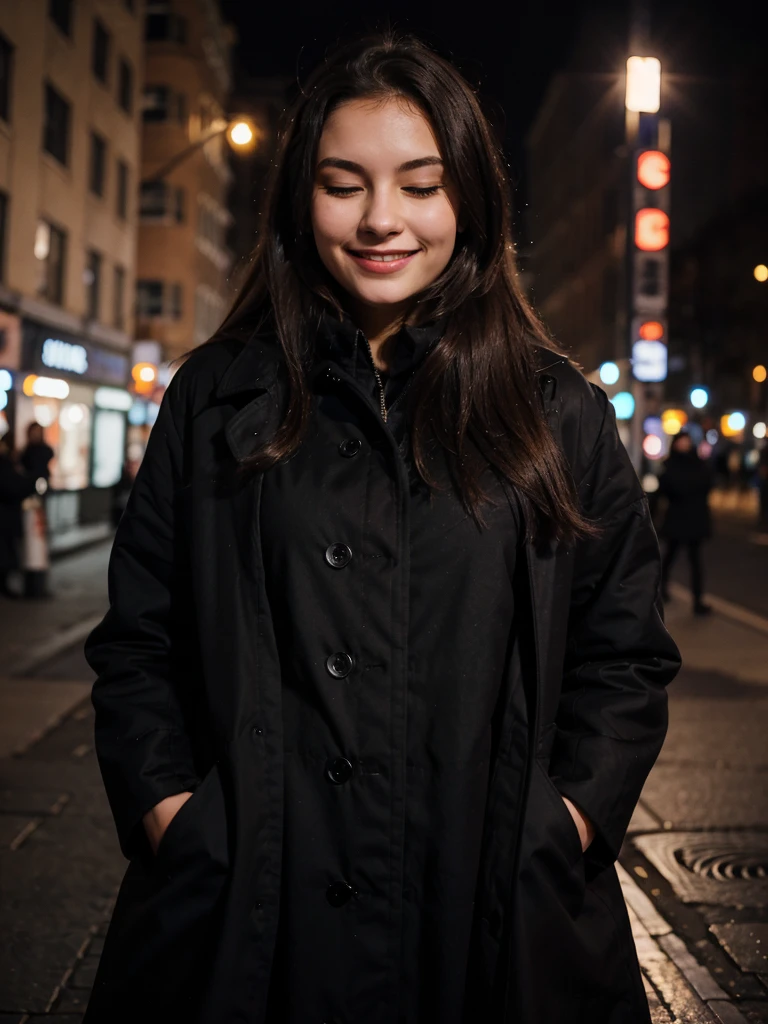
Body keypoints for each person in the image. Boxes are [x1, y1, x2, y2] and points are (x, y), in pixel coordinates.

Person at [83, 34, 681, 1024]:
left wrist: (560, 823)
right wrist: (174, 815)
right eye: (343, 183)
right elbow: (140, 640)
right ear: (299, 199)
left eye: (419, 183)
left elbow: (624, 654)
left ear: (470, 200)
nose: (380, 219)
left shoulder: (554, 411)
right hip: (249, 915)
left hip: (488, 916)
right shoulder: (216, 397)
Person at [659, 429, 713, 616]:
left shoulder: (698, 465)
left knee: (694, 561)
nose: (684, 445)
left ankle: (698, 600)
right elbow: (667, 489)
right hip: (678, 518)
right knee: (670, 557)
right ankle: (662, 590)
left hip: (693, 518)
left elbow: (707, 485)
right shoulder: (672, 466)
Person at [0, 435, 37, 598]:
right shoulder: (5, 465)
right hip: (5, 516)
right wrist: (30, 484)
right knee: (6, 553)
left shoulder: (10, 464)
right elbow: (12, 487)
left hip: (7, 516)